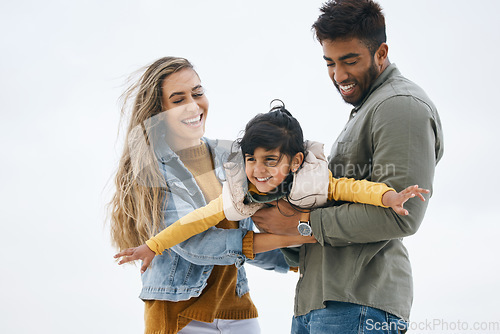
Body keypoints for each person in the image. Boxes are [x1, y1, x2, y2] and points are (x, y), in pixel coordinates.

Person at [251, 1, 444, 333]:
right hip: (320, 303)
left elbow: (403, 212)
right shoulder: (367, 109)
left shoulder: (399, 107)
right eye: (330, 62)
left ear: (381, 53)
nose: (339, 75)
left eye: (349, 61)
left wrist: (300, 223)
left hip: (358, 307)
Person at [109, 57, 306, 334]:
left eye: (197, 93)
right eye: (178, 100)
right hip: (179, 314)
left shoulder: (231, 157)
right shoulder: (152, 169)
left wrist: (299, 256)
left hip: (236, 308)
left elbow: (246, 240)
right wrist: (301, 236)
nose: (193, 105)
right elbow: (195, 243)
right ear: (159, 111)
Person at [115, 103, 429, 273]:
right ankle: (292, 262)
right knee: (227, 219)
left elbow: (351, 188)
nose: (259, 170)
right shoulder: (242, 192)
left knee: (326, 201)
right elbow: (194, 221)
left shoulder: (310, 180)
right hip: (292, 250)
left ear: (295, 162)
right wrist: (153, 246)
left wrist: (389, 196)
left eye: (271, 160)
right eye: (252, 159)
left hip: (329, 235)